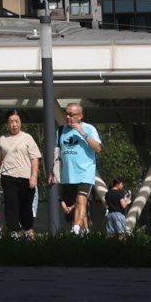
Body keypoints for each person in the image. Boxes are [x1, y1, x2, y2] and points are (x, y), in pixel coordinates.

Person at [56, 99, 105, 234]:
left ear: (80, 116)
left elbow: (98, 148)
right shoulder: (61, 131)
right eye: (67, 114)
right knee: (70, 207)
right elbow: (57, 154)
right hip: (68, 175)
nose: (68, 117)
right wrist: (52, 172)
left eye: (72, 115)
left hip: (85, 172)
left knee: (81, 201)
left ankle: (76, 229)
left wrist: (83, 133)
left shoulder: (89, 128)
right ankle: (84, 230)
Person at [0, 108, 41, 235]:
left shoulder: (27, 138)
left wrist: (34, 176)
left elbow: (35, 158)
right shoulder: (2, 139)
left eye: (16, 121)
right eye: (11, 122)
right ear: (7, 123)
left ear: (20, 122)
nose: (14, 124)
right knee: (11, 206)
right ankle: (14, 232)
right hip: (8, 177)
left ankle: (27, 229)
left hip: (26, 177)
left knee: (26, 206)